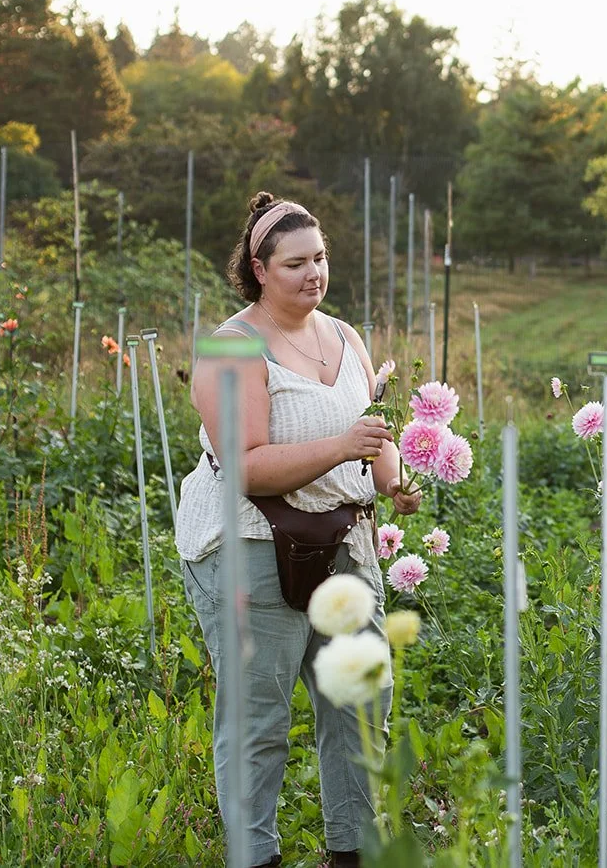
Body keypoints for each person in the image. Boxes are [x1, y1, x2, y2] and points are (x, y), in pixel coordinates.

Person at [177, 192, 421, 868]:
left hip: (343, 542)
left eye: (320, 258)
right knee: (260, 719)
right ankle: (254, 857)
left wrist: (395, 479)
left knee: (361, 702)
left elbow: (371, 435)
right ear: (258, 268)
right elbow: (248, 468)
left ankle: (352, 852)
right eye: (294, 263)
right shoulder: (230, 347)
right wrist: (345, 446)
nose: (313, 273)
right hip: (251, 544)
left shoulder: (345, 337)